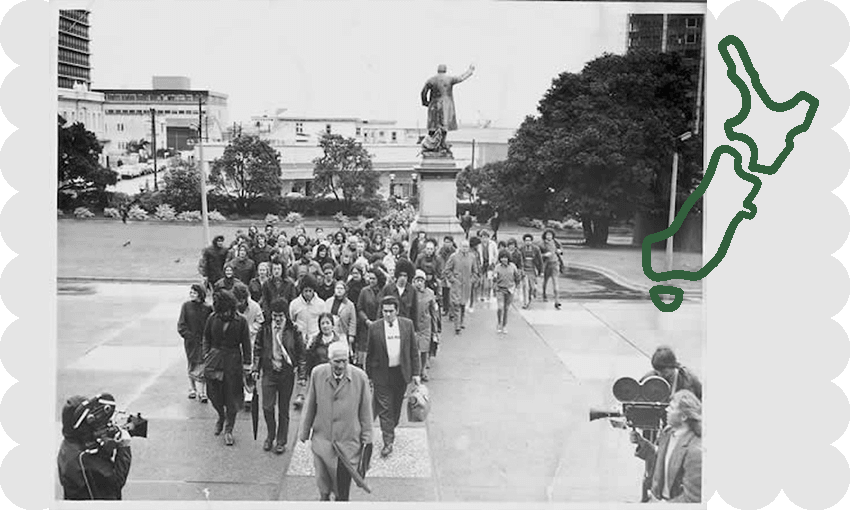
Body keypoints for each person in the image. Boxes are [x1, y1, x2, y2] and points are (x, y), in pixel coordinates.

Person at [300, 341, 373, 501]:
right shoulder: (317, 373)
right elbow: (310, 403)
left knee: (342, 492)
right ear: (329, 360)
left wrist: (367, 441)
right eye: (336, 361)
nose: (341, 365)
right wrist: (304, 431)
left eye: (344, 361)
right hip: (323, 442)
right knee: (323, 487)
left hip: (347, 446)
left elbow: (366, 413)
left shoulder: (360, 378)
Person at [365, 296, 421, 457]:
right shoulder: (375, 328)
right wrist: (369, 375)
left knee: (396, 407)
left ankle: (391, 427)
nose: (388, 314)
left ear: (396, 311)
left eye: (391, 311)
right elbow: (370, 353)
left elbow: (413, 351)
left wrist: (416, 373)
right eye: (385, 311)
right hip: (381, 374)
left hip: (401, 373)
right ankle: (388, 441)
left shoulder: (407, 325)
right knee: (385, 408)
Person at [631, 390, 703, 503]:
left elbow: (693, 499)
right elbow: (661, 460)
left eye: (672, 408)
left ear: (684, 416)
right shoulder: (668, 433)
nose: (666, 410)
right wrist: (643, 444)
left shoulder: (695, 451)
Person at [252, 298, 304, 454]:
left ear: (286, 315)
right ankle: (270, 435)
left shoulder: (294, 330)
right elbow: (258, 348)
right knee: (267, 407)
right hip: (269, 372)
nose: (277, 319)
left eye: (280, 316)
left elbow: (301, 354)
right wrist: (256, 368)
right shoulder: (265, 328)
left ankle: (281, 441)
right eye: (275, 316)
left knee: (283, 409)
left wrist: (301, 374)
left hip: (286, 374)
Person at [58, 395, 133, 500]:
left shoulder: (69, 443)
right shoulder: (85, 458)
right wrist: (124, 447)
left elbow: (95, 468)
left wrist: (104, 446)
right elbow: (116, 483)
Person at [202, 289, 252, 446]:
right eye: (221, 311)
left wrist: (247, 365)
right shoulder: (212, 318)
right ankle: (221, 416)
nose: (224, 314)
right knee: (213, 395)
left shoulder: (241, 321)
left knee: (232, 399)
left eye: (226, 311)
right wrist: (206, 354)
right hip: (214, 361)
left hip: (233, 363)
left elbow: (246, 344)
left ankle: (229, 429)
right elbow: (206, 337)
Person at [420, 63, 475, 153]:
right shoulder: (449, 79)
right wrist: (470, 71)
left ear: (438, 70)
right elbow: (461, 78)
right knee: (444, 126)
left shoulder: (431, 80)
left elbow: (423, 92)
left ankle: (430, 144)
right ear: (445, 70)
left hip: (434, 104)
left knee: (433, 126)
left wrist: (425, 102)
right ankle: (441, 144)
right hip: (446, 105)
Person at [290, 275, 326, 409]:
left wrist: (315, 336)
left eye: (310, 291)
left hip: (315, 339)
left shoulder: (321, 304)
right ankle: (300, 394)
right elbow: (292, 320)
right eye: (305, 291)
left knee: (314, 367)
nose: (308, 294)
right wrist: (299, 333)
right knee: (301, 367)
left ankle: (315, 394)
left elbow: (324, 321)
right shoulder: (295, 304)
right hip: (300, 339)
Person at [177, 283, 212, 402]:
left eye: (194, 292)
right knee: (192, 363)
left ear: (200, 294)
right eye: (190, 292)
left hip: (203, 342)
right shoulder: (186, 306)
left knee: (202, 365)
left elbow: (211, 324)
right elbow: (181, 324)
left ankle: (202, 392)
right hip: (191, 342)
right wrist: (188, 336)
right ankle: (192, 388)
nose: (192, 294)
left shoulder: (207, 308)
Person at [233, 283, 264, 411]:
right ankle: (237, 394)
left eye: (242, 300)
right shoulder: (232, 307)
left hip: (250, 341)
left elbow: (260, 321)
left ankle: (249, 395)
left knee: (249, 369)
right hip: (235, 343)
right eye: (238, 300)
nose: (240, 303)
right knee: (235, 369)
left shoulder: (255, 307)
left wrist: (251, 330)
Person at [443, 239, 479, 334]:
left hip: (467, 285)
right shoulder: (454, 257)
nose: (465, 248)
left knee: (463, 304)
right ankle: (457, 325)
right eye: (463, 246)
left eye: (466, 247)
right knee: (456, 305)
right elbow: (447, 270)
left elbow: (475, 271)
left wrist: (472, 280)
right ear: (460, 246)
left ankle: (462, 321)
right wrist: (452, 279)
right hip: (456, 285)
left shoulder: (472, 257)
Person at [411, 270, 439, 381]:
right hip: (413, 325)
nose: (419, 283)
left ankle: (423, 370)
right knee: (414, 350)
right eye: (417, 280)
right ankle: (415, 371)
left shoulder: (430, 293)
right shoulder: (411, 293)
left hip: (426, 325)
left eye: (421, 280)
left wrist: (435, 330)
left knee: (424, 349)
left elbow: (434, 312)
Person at [356, 268, 382, 367]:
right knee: (365, 351)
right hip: (366, 325)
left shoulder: (383, 291)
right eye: (370, 278)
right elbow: (360, 308)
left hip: (379, 324)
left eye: (374, 279)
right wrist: (366, 320)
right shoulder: (364, 291)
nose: (371, 281)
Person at [379, 258, 418, 322]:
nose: (402, 278)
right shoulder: (387, 289)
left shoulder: (412, 290)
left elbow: (414, 312)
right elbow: (380, 309)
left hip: (405, 325)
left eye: (405, 276)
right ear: (397, 275)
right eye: (400, 275)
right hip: (390, 323)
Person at [492, 250, 521, 334]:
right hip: (500, 289)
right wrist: (494, 280)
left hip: (510, 289)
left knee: (506, 308)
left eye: (505, 258)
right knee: (500, 307)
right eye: (502, 258)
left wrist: (517, 284)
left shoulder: (512, 266)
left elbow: (517, 277)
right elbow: (494, 278)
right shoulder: (497, 267)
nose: (504, 260)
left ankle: (504, 325)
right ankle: (499, 323)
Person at [325, 280, 357, 347]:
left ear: (345, 290)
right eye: (337, 288)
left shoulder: (350, 304)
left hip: (343, 331)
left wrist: (351, 335)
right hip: (330, 330)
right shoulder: (328, 301)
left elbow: (353, 320)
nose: (339, 290)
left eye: (341, 288)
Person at [540, 229, 563, 310]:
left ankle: (557, 300)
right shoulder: (542, 244)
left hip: (555, 264)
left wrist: (560, 251)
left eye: (550, 235)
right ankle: (544, 294)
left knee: (555, 282)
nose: (549, 236)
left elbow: (560, 250)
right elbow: (538, 255)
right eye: (547, 235)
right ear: (545, 235)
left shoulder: (556, 243)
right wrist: (544, 255)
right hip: (546, 265)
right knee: (545, 281)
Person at [519, 233, 543, 308]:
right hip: (524, 270)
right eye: (526, 240)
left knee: (532, 287)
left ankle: (530, 297)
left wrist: (541, 271)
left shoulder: (536, 249)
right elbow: (520, 260)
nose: (528, 242)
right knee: (525, 286)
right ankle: (525, 303)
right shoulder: (521, 249)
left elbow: (540, 260)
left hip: (533, 270)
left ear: (532, 241)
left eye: (529, 240)